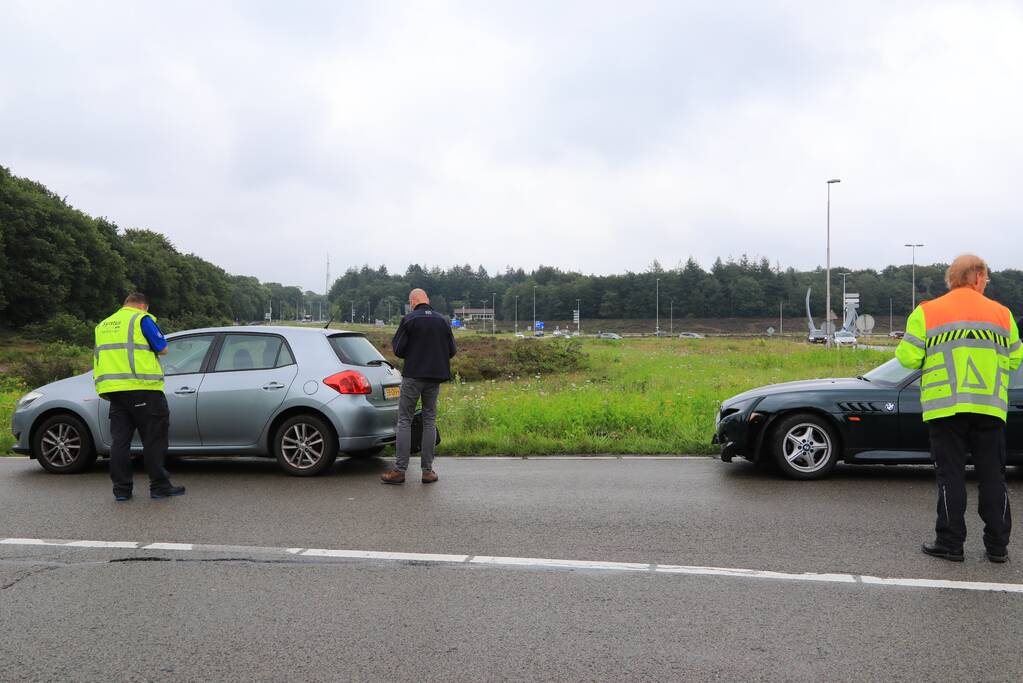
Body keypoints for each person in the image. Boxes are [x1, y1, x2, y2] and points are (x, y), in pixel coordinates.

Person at [896, 255, 1021, 562]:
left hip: (946, 407)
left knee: (950, 475)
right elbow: (1016, 359)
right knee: (993, 476)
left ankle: (951, 544)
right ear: (977, 277)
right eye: (987, 279)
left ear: (952, 279)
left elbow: (908, 358)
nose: (986, 284)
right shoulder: (1002, 314)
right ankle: (997, 548)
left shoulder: (927, 311)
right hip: (989, 407)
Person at [93, 293, 185, 501]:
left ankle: (121, 490)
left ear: (125, 304)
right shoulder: (141, 319)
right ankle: (159, 487)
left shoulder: (104, 325)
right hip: (143, 388)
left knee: (120, 442)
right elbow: (163, 348)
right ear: (143, 306)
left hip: (115, 391)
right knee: (154, 439)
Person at [382, 288, 457, 484]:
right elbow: (452, 350)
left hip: (413, 376)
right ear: (427, 300)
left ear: (413, 301)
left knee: (405, 420)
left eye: (410, 301)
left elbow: (398, 349)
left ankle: (399, 471)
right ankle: (427, 471)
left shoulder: (409, 319)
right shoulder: (443, 321)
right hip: (434, 378)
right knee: (429, 421)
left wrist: (414, 353)